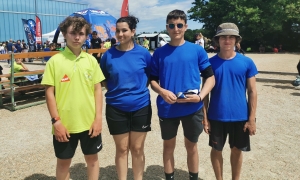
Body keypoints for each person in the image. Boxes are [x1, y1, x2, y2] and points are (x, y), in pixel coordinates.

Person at [150, 9, 215, 180]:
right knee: (168, 146)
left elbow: (210, 77)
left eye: (179, 25)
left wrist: (201, 96)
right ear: (167, 27)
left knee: (191, 146)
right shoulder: (159, 53)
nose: (176, 29)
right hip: (167, 108)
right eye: (172, 25)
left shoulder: (197, 50)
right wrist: (162, 91)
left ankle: (193, 177)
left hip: (192, 107)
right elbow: (153, 80)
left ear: (186, 27)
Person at [41, 16, 105, 180]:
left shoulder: (91, 60)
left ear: (86, 35)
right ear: (64, 33)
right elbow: (49, 93)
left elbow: (98, 90)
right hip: (65, 124)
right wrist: (56, 121)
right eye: (73, 33)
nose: (77, 37)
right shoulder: (55, 61)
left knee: (92, 160)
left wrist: (98, 119)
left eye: (81, 34)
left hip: (89, 122)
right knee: (63, 163)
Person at [202, 23, 258, 180]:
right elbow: (204, 94)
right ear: (217, 40)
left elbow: (252, 91)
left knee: (236, 150)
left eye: (231, 37)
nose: (227, 40)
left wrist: (251, 118)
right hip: (216, 116)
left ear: (236, 40)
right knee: (216, 149)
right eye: (223, 37)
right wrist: (205, 118)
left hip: (240, 116)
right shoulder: (209, 64)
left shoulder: (247, 62)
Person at [100, 15, 152, 180]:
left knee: (137, 148)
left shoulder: (143, 54)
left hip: (141, 107)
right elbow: (103, 78)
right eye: (118, 31)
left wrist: (137, 91)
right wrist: (117, 91)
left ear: (133, 31)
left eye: (124, 30)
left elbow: (150, 76)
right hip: (116, 107)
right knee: (122, 149)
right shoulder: (108, 55)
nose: (120, 34)